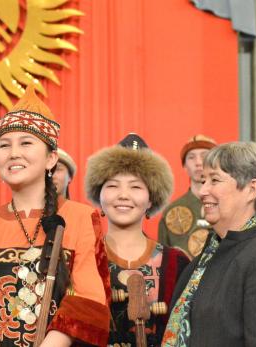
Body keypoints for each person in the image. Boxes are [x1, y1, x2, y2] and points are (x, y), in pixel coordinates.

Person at [0, 86, 109, 346]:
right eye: (4, 145)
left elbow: (87, 301)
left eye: (26, 143)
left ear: (51, 159)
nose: (13, 153)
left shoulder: (80, 217)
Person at [162, 142, 256, 346]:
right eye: (203, 180)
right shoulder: (209, 254)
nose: (203, 191)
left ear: (252, 189)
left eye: (214, 180)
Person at [85, 133, 190, 346]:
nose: (123, 195)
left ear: (151, 199)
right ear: (100, 195)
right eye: (113, 185)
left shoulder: (176, 263)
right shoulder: (82, 257)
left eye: (135, 187)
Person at [158, 135, 216, 258]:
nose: (198, 162)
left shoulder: (229, 206)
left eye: (204, 156)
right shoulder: (172, 212)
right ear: (184, 166)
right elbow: (162, 260)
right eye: (191, 157)